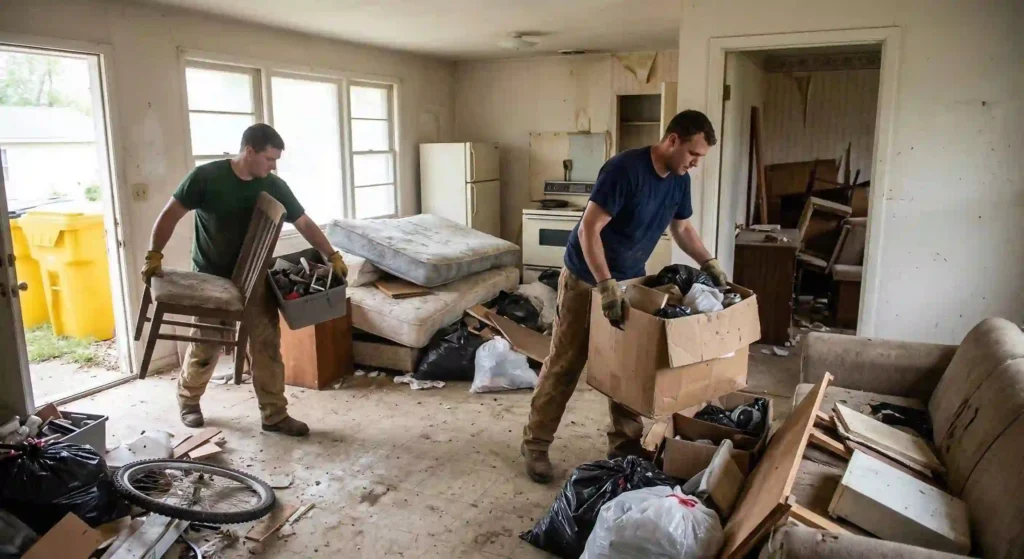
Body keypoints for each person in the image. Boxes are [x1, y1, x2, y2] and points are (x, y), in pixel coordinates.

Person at [520, 110, 727, 482]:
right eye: (693, 154)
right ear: (672, 140)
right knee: (567, 363)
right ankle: (535, 445)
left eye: (701, 158)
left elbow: (681, 228)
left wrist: (708, 261)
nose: (695, 164)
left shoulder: (679, 180)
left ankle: (625, 448)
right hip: (587, 278)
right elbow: (589, 230)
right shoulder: (624, 169)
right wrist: (605, 285)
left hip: (632, 280)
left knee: (628, 367)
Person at [141, 123, 349, 437]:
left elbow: (303, 222)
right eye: (269, 159)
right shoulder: (206, 178)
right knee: (207, 343)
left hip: (254, 276)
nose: (273, 166)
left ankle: (274, 415)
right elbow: (170, 214)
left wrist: (331, 254)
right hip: (211, 275)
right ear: (249, 151)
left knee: (266, 344)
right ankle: (189, 400)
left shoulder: (272, 185)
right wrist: (154, 254)